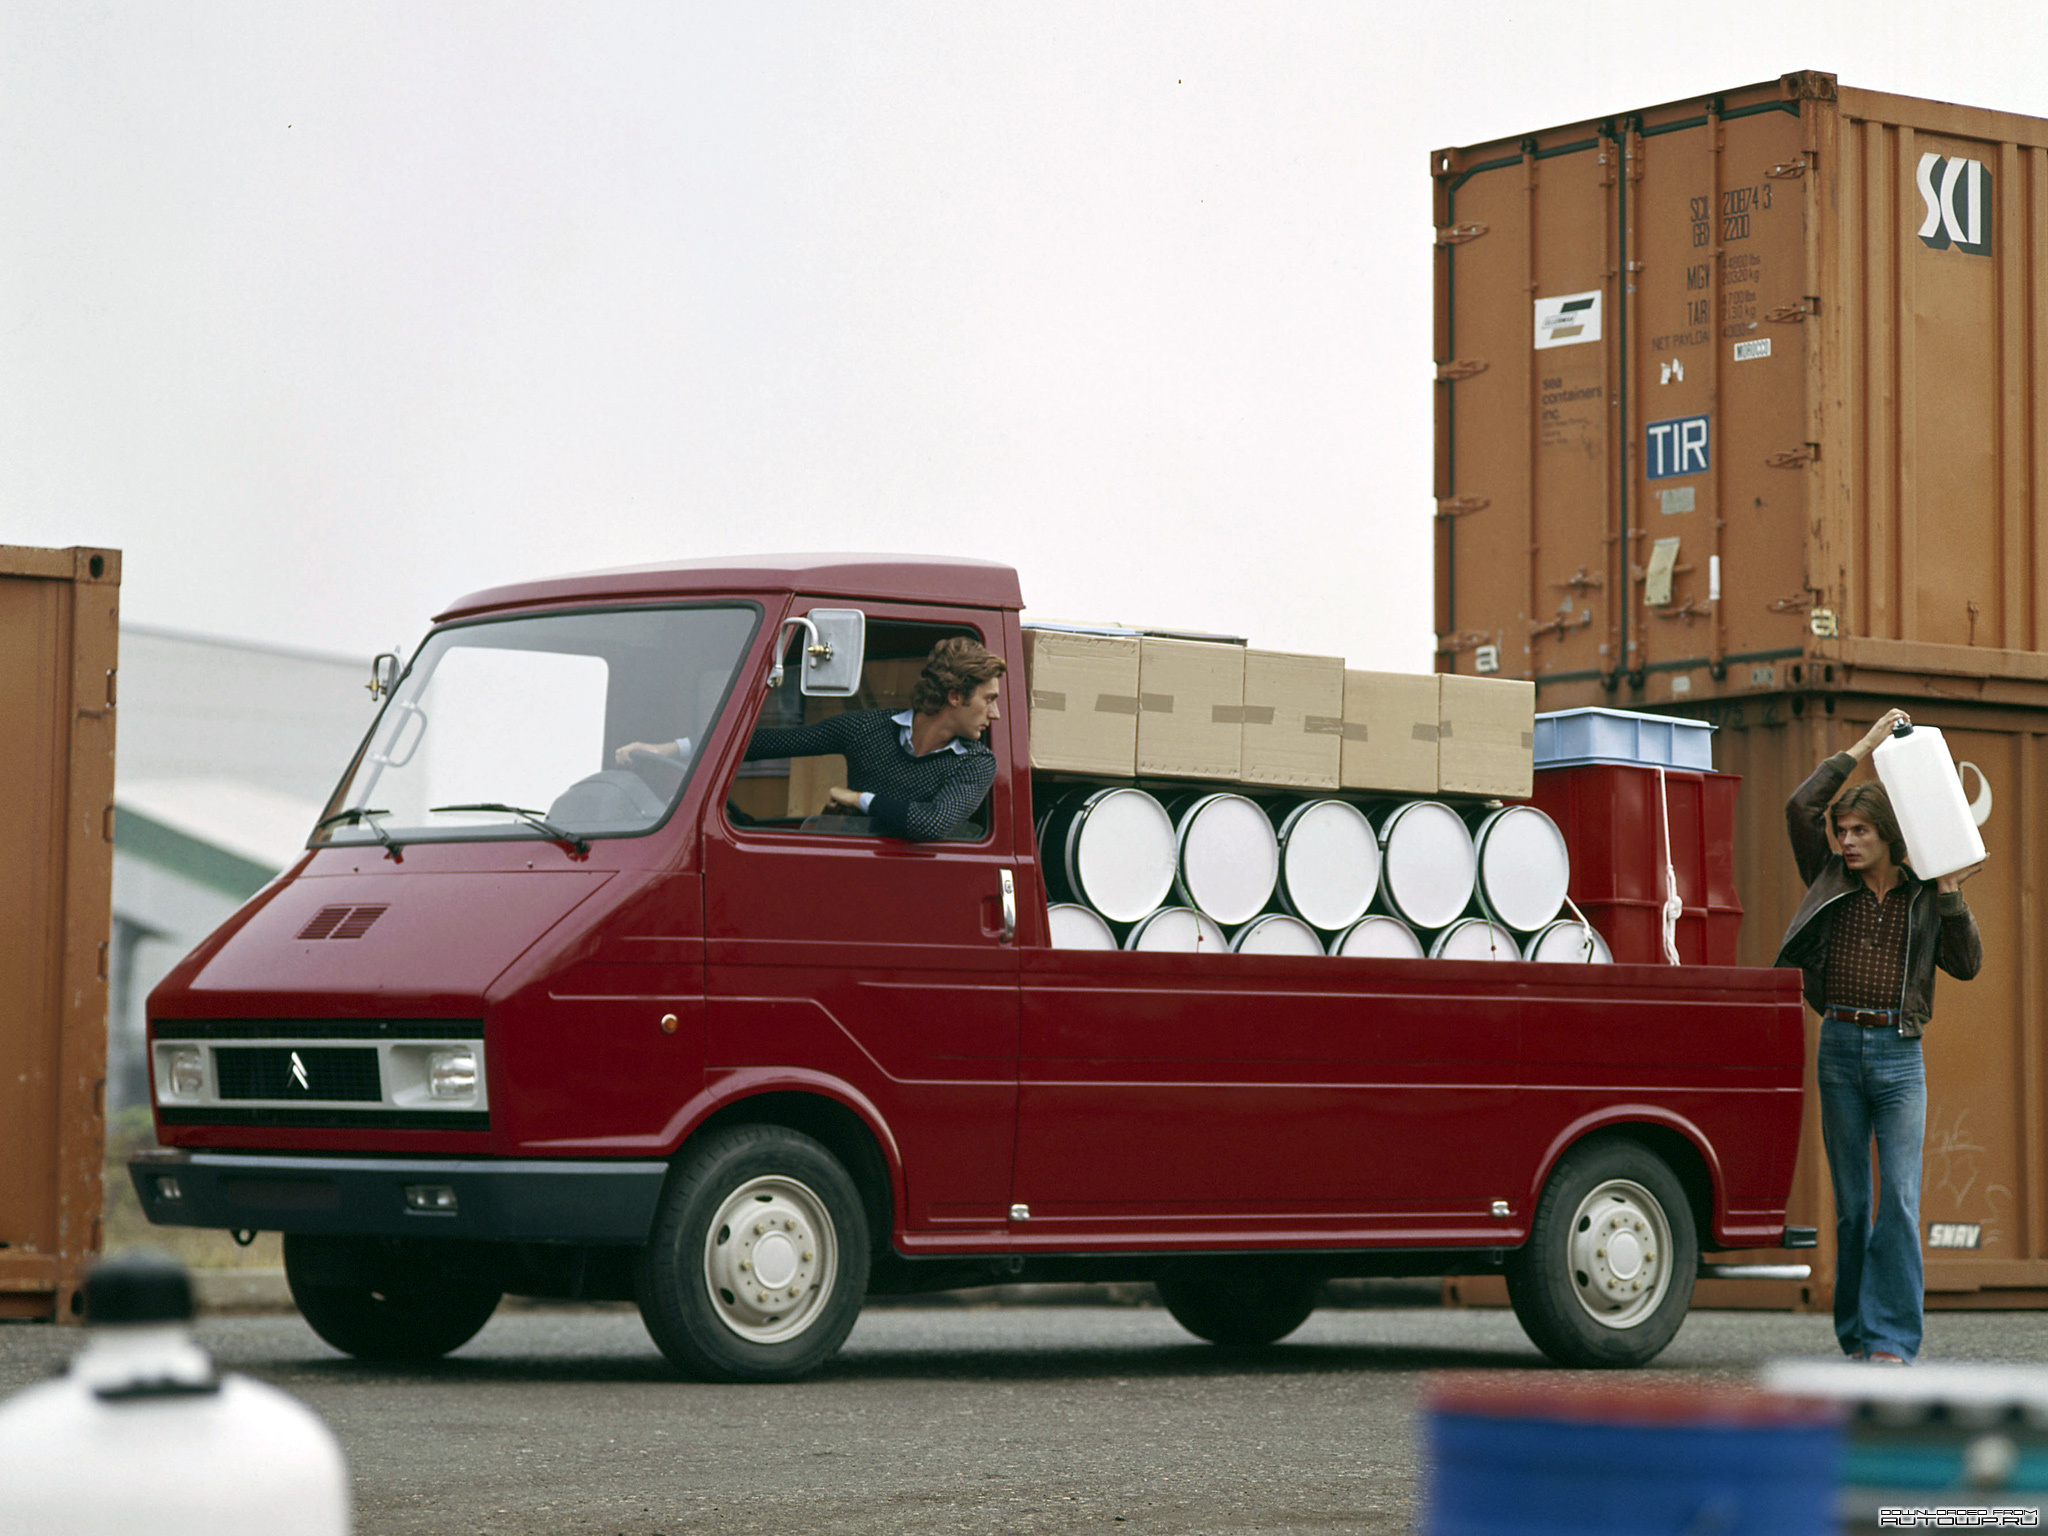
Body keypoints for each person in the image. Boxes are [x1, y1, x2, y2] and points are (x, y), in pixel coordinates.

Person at [1776, 707, 1983, 1365]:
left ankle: (1892, 1338)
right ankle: (1857, 1335)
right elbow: (1799, 805)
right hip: (1837, 1048)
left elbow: (1967, 964)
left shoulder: (1924, 894)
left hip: (1899, 1055)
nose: (1846, 841)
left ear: (1889, 837)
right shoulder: (1827, 875)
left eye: (1860, 830)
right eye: (1841, 831)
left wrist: (1951, 895)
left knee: (1896, 1198)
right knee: (1852, 1205)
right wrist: (1864, 746)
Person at [617, 635, 1004, 842]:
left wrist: (859, 800)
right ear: (955, 697)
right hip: (853, 873)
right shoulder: (868, 728)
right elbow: (770, 743)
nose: (995, 713)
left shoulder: (976, 763)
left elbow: (932, 824)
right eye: (989, 700)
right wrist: (668, 749)